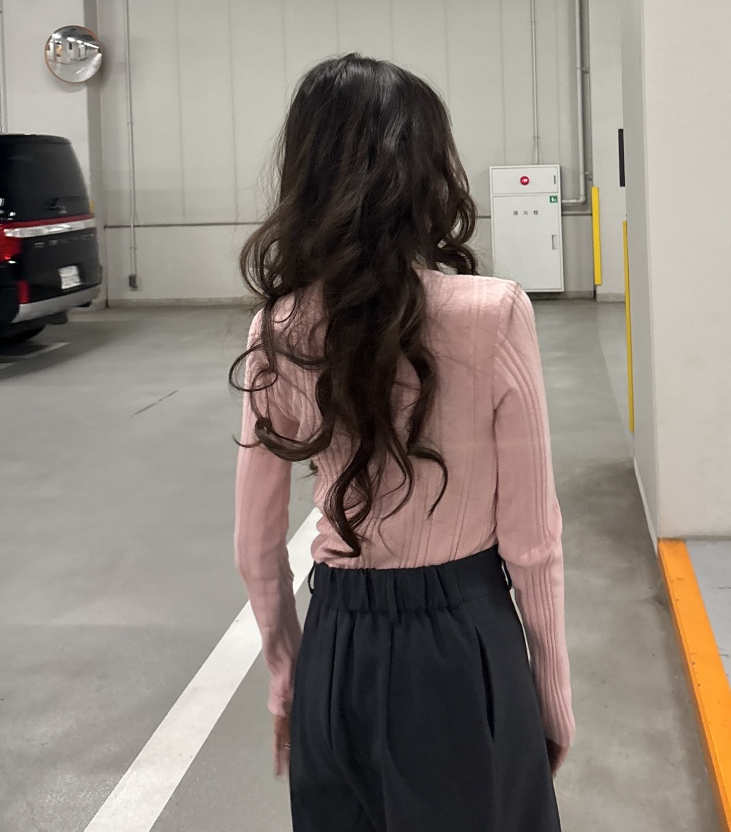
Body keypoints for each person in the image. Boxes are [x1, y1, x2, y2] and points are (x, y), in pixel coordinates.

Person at [233, 52, 575, 832]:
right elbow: (533, 542)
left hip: (337, 644)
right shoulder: (495, 313)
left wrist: (288, 677)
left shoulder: (277, 327)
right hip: (462, 646)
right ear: (426, 169)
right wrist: (551, 696)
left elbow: (255, 546)